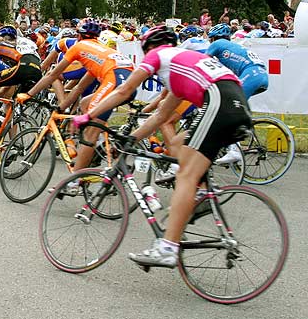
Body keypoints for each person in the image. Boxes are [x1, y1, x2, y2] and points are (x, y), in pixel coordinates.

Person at [71, 25, 251, 268]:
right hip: (234, 103)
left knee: (186, 174)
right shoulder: (179, 72)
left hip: (219, 101)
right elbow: (160, 117)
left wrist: (88, 115)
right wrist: (131, 139)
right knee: (176, 144)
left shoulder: (159, 55)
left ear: (150, 48)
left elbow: (124, 90)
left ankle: (167, 247)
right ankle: (201, 194)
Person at [18, 19, 135, 172]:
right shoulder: (98, 52)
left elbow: (52, 75)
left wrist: (28, 94)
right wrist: (61, 108)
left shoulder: (78, 46)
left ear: (79, 36)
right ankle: (101, 148)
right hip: (130, 81)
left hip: (114, 80)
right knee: (84, 103)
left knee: (90, 131)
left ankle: (76, 178)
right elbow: (79, 87)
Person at [205, 23, 268, 163]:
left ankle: (234, 150)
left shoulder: (219, 43)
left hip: (252, 74)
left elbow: (202, 62)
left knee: (229, 109)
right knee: (235, 105)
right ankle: (242, 129)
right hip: (260, 75)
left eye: (210, 39)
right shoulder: (232, 48)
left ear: (214, 38)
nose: (210, 42)